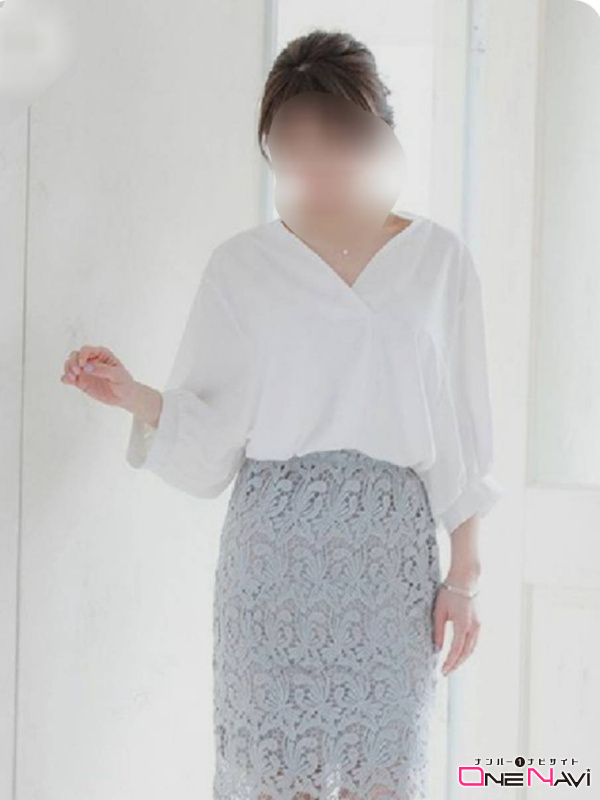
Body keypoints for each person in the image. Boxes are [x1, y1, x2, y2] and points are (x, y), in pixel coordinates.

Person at [60, 28, 503, 800]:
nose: (312, 164)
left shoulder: (440, 262)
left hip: (389, 566)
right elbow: (211, 429)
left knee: (384, 778)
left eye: (334, 140)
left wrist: (463, 578)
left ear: (377, 134)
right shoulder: (244, 267)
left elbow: (464, 438)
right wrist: (135, 395)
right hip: (272, 564)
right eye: (291, 145)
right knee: (272, 779)